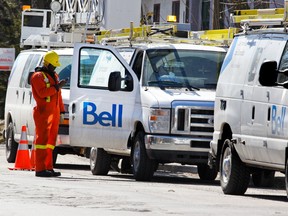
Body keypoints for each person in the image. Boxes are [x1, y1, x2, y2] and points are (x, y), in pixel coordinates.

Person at [30, 50, 67, 177]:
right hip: (43, 113)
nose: (55, 67)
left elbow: (58, 96)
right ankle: (40, 169)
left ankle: (48, 167)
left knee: (51, 142)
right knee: (42, 141)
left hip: (54, 113)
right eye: (53, 65)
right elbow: (42, 93)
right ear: (47, 64)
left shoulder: (54, 76)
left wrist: (62, 111)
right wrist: (57, 87)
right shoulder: (38, 76)